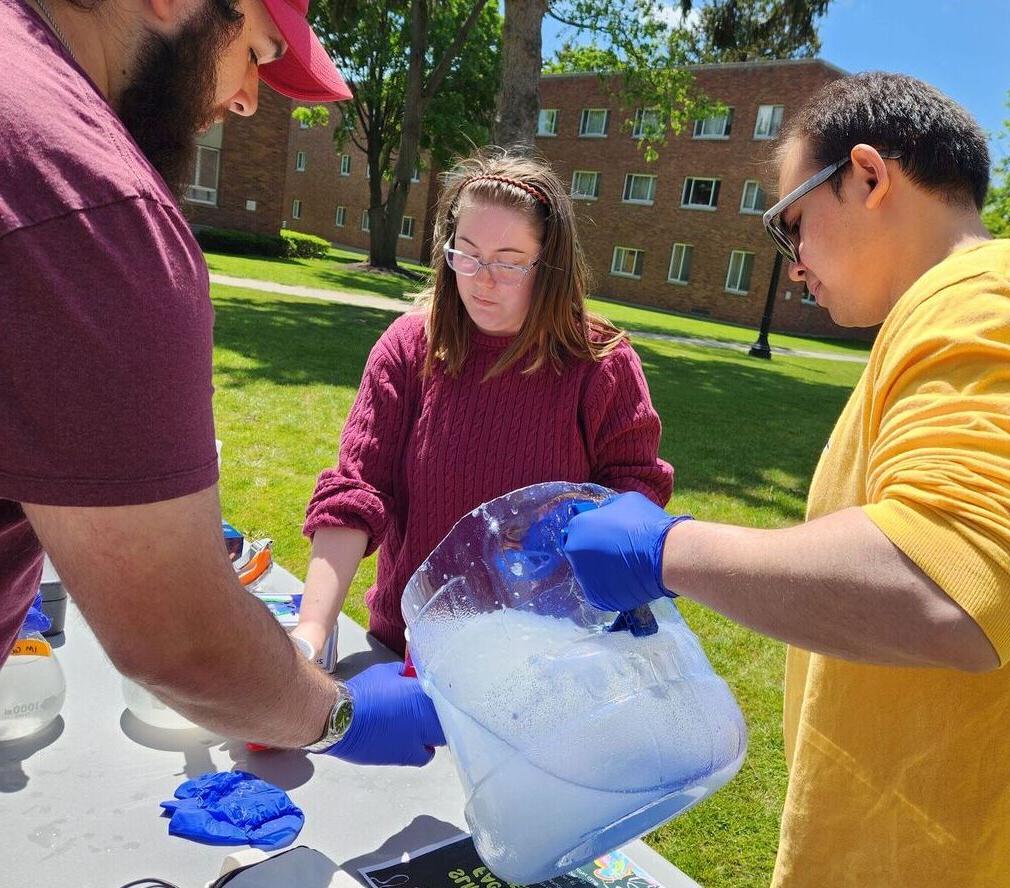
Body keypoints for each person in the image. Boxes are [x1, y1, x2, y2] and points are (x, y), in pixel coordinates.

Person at [562, 73, 1010, 886]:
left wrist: (667, 551)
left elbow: (948, 587)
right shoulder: (991, 303)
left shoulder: (990, 297)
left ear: (869, 177)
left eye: (791, 224)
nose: (794, 265)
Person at [1, 0, 443, 765]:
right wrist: (337, 714)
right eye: (258, 54)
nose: (246, 98)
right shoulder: (95, 202)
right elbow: (178, 638)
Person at [292, 150, 673, 659]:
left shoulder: (600, 364)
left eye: (509, 263)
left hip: (543, 661)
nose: (481, 279)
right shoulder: (409, 348)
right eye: (466, 254)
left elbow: (635, 497)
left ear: (550, 265)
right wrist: (311, 633)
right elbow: (355, 494)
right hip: (409, 650)